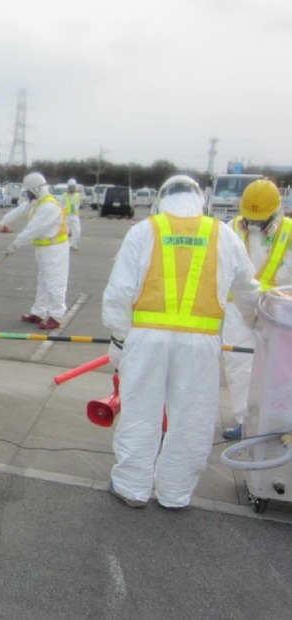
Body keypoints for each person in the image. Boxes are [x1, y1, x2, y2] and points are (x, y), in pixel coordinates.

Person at [102, 175, 259, 510]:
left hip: (146, 340)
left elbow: (119, 294)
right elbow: (247, 287)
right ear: (198, 200)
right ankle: (175, 493)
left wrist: (118, 339)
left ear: (162, 198)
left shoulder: (145, 231)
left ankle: (131, 487)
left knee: (140, 413)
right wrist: (255, 321)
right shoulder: (222, 233)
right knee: (192, 418)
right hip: (199, 344)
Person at [221, 179, 292, 440]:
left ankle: (278, 420)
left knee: (280, 367)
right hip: (237, 307)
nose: (254, 225)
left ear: (277, 210)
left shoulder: (290, 232)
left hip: (279, 311)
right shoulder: (231, 229)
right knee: (239, 362)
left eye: (260, 219)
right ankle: (243, 419)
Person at [0, 171, 69, 330]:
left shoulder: (49, 206)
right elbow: (17, 212)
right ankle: (38, 312)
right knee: (43, 281)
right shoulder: (36, 202)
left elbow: (32, 230)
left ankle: (56, 316)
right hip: (43, 249)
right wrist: (0, 224)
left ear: (37, 189)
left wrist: (14, 245)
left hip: (55, 250)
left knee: (55, 282)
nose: (28, 196)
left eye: (29, 192)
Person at [63, 178, 82, 251]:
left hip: (74, 216)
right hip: (67, 216)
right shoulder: (64, 195)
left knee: (77, 231)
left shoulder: (77, 195)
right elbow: (61, 205)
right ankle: (65, 245)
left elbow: (78, 204)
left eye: (73, 187)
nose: (72, 189)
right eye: (71, 187)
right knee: (65, 232)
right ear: (68, 187)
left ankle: (72, 244)